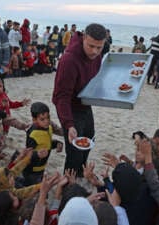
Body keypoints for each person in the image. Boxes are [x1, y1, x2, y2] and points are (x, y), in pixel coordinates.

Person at [52, 23, 107, 177]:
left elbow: (96, 79)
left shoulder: (97, 55)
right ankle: (68, 186)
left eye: (99, 47)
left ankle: (81, 176)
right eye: (91, 46)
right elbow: (61, 97)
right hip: (69, 106)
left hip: (85, 103)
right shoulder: (69, 60)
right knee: (74, 152)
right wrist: (68, 125)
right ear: (83, 38)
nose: (95, 51)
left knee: (89, 140)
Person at [23, 102, 64, 185]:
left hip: (42, 167)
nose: (46, 121)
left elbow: (46, 143)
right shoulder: (33, 134)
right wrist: (37, 154)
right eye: (42, 119)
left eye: (48, 117)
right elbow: (27, 153)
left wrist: (57, 143)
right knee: (33, 189)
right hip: (32, 170)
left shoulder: (49, 128)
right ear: (34, 120)